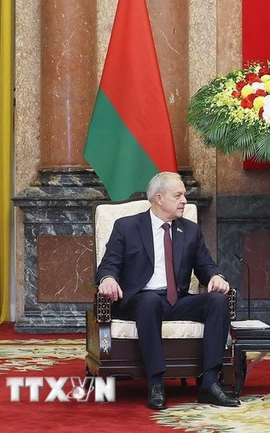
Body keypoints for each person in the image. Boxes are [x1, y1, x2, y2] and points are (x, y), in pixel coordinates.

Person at [97, 171, 239, 410]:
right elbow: (108, 264)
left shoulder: (190, 230)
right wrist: (108, 278)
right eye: (179, 195)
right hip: (140, 301)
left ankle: (209, 383)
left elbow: (206, 266)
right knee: (150, 300)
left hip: (177, 300)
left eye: (184, 194)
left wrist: (216, 277)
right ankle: (155, 383)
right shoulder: (127, 227)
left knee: (217, 301)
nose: (185, 200)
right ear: (159, 198)